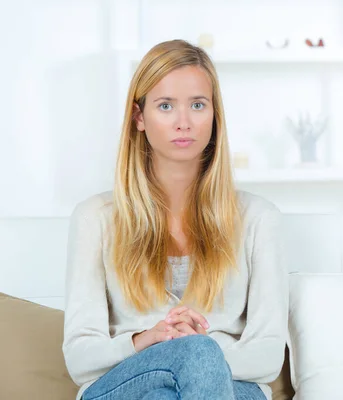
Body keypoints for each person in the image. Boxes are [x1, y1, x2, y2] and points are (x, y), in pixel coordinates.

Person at [62, 39, 288, 400]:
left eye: (197, 105)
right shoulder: (95, 219)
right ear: (139, 117)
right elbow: (80, 358)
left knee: (182, 377)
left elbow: (267, 356)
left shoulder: (259, 220)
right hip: (128, 382)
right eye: (165, 106)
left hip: (233, 386)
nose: (184, 122)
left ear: (214, 115)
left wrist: (199, 350)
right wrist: (148, 340)